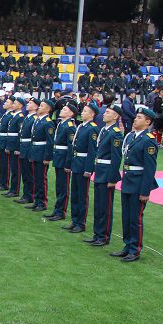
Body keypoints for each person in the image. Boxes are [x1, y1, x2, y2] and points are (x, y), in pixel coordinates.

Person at [113, 106, 159, 262]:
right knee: (126, 217)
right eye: (136, 117)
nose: (135, 119)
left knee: (135, 218)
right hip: (128, 180)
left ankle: (135, 249)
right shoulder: (132, 137)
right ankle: (127, 246)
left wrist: (145, 191)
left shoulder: (148, 140)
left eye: (139, 117)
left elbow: (150, 168)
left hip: (138, 183)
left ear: (147, 122)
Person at [85, 104, 124, 248]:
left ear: (115, 116)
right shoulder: (103, 130)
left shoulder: (115, 133)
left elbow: (116, 158)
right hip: (100, 169)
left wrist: (113, 178)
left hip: (107, 172)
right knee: (99, 205)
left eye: (108, 112)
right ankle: (97, 234)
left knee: (105, 206)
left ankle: (104, 236)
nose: (104, 114)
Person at [68, 101, 99, 234]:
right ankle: (74, 220)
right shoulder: (81, 126)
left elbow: (92, 150)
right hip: (76, 161)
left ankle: (81, 222)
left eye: (85, 111)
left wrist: (88, 169)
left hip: (83, 163)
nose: (82, 112)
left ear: (92, 114)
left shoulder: (92, 128)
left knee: (82, 195)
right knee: (74, 193)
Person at [46, 101, 77, 222]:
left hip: (64, 159)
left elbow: (70, 146)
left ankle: (61, 211)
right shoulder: (61, 124)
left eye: (65, 109)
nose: (62, 110)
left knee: (63, 187)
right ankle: (57, 210)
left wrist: (68, 163)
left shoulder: (69, 126)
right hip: (59, 157)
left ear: (71, 113)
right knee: (59, 186)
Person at [27, 98, 55, 212]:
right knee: (36, 178)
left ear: (48, 109)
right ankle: (37, 200)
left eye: (42, 106)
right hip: (35, 151)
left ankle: (42, 202)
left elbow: (50, 141)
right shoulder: (38, 120)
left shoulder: (48, 122)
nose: (39, 107)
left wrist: (47, 157)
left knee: (41, 178)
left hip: (41, 153)